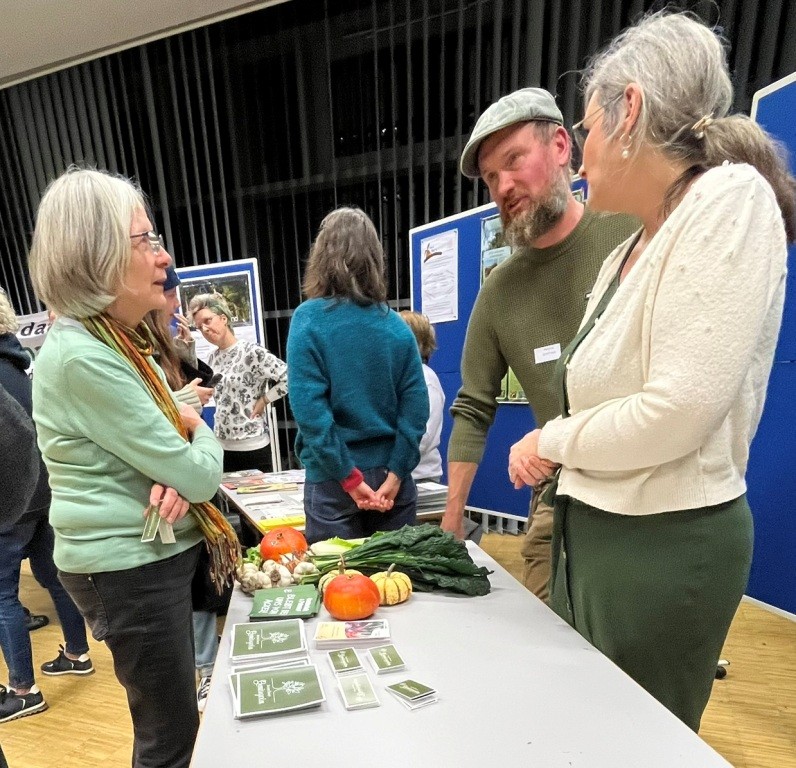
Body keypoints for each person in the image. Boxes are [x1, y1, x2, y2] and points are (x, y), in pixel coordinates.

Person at [508, 11, 795, 731]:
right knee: (594, 734)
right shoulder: (623, 253)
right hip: (598, 539)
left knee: (638, 741)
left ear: (629, 109)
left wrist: (553, 441)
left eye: (588, 127)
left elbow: (678, 410)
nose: (582, 152)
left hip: (662, 548)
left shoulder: (729, 200)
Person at [28, 167, 238, 767]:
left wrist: (173, 455)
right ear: (97, 256)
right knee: (170, 741)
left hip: (145, 558)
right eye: (144, 240)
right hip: (130, 569)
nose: (163, 256)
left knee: (173, 726)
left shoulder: (115, 345)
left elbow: (170, 433)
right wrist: (198, 437)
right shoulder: (85, 357)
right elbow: (198, 472)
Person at [442, 87, 638, 600]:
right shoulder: (499, 291)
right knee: (553, 650)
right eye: (491, 178)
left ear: (559, 146)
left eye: (514, 160)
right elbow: (473, 406)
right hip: (558, 499)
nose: (504, 185)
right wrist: (450, 525)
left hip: (646, 495)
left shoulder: (630, 232)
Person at [287, 207, 428, 543]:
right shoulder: (396, 327)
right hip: (393, 480)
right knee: (397, 585)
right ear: (375, 259)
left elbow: (311, 413)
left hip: (333, 481)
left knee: (338, 585)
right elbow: (417, 409)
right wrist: (397, 472)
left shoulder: (308, 320)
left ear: (320, 257)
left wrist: (348, 478)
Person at [0, 289, 94, 724]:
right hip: (45, 495)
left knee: (3, 599)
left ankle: (23, 690)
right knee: (56, 580)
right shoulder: (23, 367)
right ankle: (77, 654)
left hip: (10, 504)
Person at [188, 294, 287, 472]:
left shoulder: (252, 352)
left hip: (252, 445)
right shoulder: (212, 357)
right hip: (222, 445)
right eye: (199, 327)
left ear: (223, 318)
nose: (205, 329)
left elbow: (289, 377)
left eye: (208, 321)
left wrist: (265, 399)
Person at [400, 311, 444, 483]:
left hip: (419, 477)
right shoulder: (399, 376)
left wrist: (393, 466)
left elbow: (422, 437)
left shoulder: (426, 379)